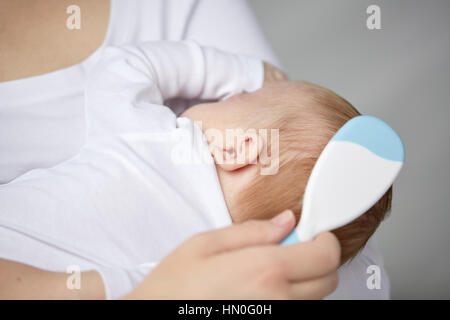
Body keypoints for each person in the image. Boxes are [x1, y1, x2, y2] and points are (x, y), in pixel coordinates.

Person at [0, 0, 389, 299]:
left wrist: (246, 72)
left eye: (239, 97)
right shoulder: (224, 272)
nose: (228, 94)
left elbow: (125, 65)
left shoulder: (158, 139)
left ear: (240, 149)